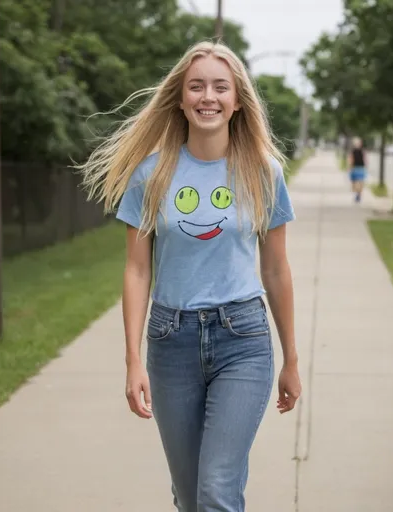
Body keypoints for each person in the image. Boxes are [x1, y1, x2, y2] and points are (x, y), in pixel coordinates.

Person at [80, 40, 302, 512]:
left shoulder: (264, 172)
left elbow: (277, 270)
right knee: (189, 495)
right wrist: (131, 359)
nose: (208, 96)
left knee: (216, 490)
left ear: (237, 100)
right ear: (180, 99)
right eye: (196, 86)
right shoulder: (151, 175)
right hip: (170, 341)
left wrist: (292, 359)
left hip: (242, 339)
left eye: (220, 87)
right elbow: (138, 270)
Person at [348, 137, 367, 203]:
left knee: (357, 183)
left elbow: (351, 160)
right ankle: (358, 195)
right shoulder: (362, 151)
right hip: (359, 168)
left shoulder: (354, 151)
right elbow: (365, 160)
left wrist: (350, 168)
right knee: (359, 183)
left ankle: (358, 195)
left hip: (357, 168)